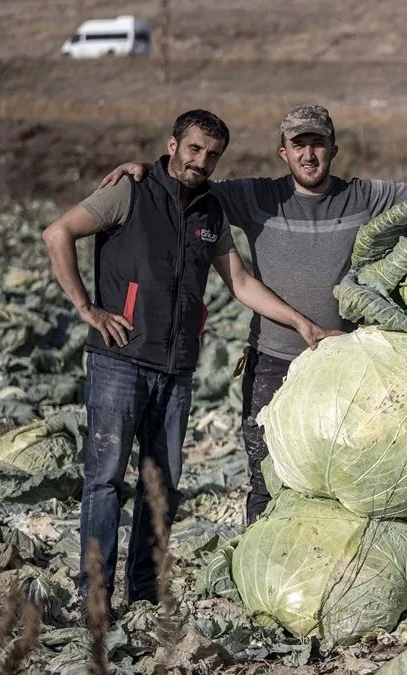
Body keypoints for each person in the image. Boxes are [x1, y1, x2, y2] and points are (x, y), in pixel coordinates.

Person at [42, 109, 334, 611]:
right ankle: (95, 594)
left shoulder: (210, 212)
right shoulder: (129, 191)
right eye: (194, 149)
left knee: (161, 484)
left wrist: (303, 324)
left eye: (212, 155)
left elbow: (240, 283)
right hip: (120, 360)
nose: (202, 161)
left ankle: (143, 589)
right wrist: (88, 309)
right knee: (105, 480)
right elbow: (57, 233)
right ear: (173, 145)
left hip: (176, 368)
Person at [100, 105, 407, 523]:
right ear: (283, 153)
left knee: (345, 478)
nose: (308, 155)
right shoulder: (256, 197)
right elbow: (188, 180)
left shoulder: (364, 196)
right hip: (271, 363)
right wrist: (146, 168)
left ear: (334, 149)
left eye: (317, 144)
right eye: (297, 145)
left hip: (345, 365)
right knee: (266, 481)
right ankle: (262, 571)